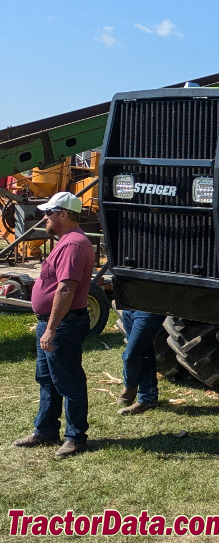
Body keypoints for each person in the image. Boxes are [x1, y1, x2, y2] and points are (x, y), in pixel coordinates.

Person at [11, 192, 95, 458]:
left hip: (62, 325)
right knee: (47, 379)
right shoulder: (66, 241)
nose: (44, 217)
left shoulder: (72, 244)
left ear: (65, 214)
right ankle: (45, 430)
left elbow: (66, 289)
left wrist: (51, 329)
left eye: (49, 213)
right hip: (54, 324)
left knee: (67, 381)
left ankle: (75, 437)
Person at [117, 306, 166, 415]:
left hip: (150, 307)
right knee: (145, 350)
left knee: (130, 355)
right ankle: (148, 398)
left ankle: (130, 386)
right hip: (128, 306)